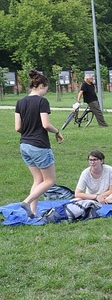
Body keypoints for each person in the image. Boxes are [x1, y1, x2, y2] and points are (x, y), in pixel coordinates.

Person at [15, 70, 64, 218]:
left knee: (38, 180)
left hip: (24, 145)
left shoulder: (20, 102)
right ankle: (26, 201)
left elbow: (18, 127)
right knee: (50, 180)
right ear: (41, 86)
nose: (47, 91)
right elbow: (46, 124)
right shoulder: (42, 102)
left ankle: (33, 212)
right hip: (39, 146)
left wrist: (29, 130)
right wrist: (57, 131)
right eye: (47, 88)